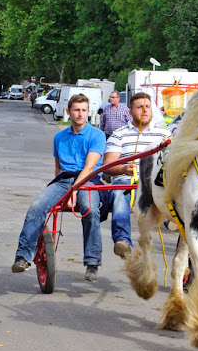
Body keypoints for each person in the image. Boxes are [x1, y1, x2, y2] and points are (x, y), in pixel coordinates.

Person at [12, 94, 106, 283]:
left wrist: (74, 191)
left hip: (88, 180)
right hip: (63, 180)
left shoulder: (97, 135)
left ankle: (92, 262)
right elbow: (58, 168)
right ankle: (23, 257)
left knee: (90, 211)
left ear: (88, 112)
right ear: (68, 112)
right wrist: (58, 190)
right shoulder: (59, 137)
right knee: (37, 206)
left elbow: (89, 168)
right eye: (76, 110)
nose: (80, 114)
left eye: (84, 110)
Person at [103, 92, 171, 259]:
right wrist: (123, 169)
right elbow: (107, 166)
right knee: (119, 195)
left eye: (147, 106)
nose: (145, 110)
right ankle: (123, 242)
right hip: (128, 183)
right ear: (131, 111)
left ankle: (176, 220)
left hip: (157, 184)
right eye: (140, 107)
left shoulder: (165, 135)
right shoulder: (119, 134)